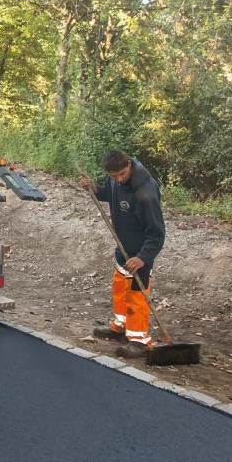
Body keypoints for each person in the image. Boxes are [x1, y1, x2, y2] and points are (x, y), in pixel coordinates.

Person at [80, 150, 166, 358]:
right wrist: (94, 188)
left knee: (136, 293)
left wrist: (143, 257)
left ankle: (139, 339)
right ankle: (121, 327)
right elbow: (110, 194)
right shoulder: (114, 180)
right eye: (113, 176)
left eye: (121, 174)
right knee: (120, 285)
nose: (119, 179)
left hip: (140, 253)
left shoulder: (146, 192)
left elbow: (157, 233)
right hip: (123, 247)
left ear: (129, 164)